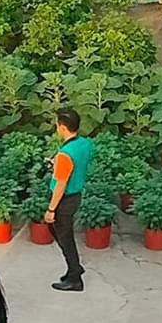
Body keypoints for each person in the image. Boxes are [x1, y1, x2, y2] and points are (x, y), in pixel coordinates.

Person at [46, 106, 93, 292]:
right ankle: (74, 269)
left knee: (64, 237)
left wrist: (51, 209)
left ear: (63, 127)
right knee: (62, 233)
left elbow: (61, 184)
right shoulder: (84, 144)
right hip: (76, 196)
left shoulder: (66, 154)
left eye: (57, 125)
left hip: (64, 200)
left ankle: (75, 275)